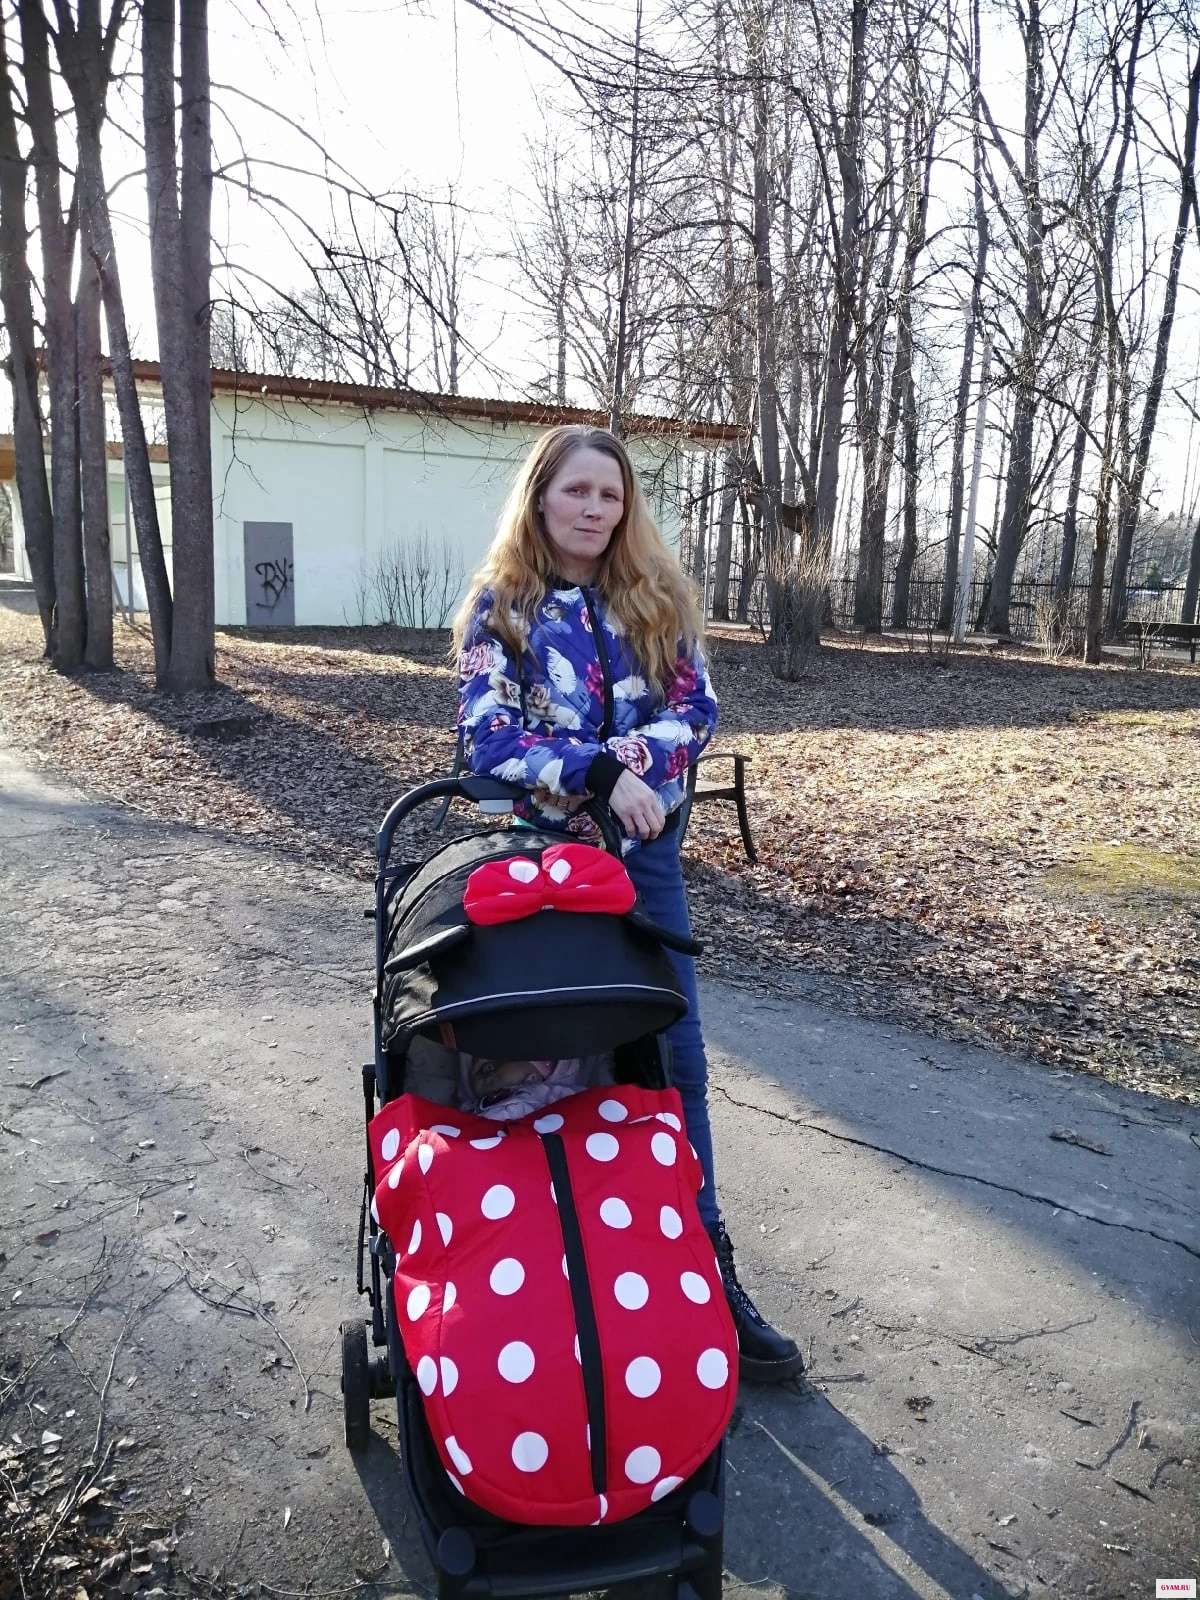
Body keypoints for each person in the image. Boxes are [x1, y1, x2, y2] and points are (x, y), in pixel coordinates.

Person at [451, 423, 803, 1384]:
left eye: (610, 494)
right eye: (576, 490)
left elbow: (695, 712)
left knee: (674, 1060)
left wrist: (636, 766)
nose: (594, 508)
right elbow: (487, 736)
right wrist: (600, 773)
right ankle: (549, 1281)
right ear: (541, 497)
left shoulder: (658, 600)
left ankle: (706, 1269)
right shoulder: (500, 607)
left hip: (645, 864)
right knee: (551, 1052)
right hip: (540, 863)